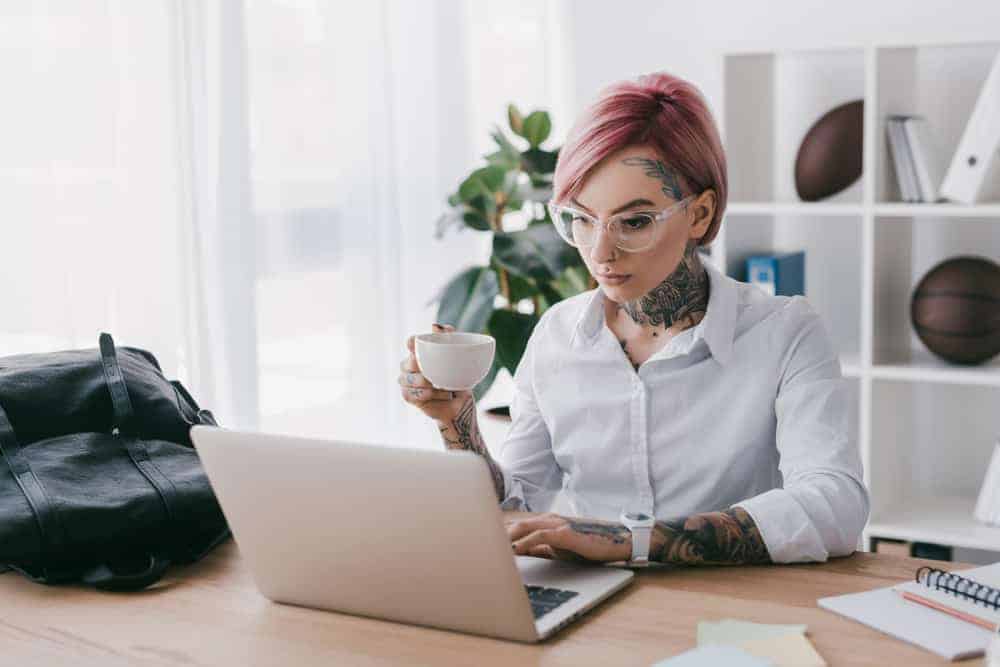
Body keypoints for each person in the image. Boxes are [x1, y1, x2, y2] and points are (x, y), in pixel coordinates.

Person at [398, 71, 869, 566]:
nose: (599, 252)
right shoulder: (558, 336)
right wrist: (458, 422)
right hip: (591, 609)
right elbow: (513, 508)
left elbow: (835, 505)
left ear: (701, 215)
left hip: (735, 611)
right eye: (580, 219)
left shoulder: (785, 334)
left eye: (635, 221)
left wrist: (633, 540)